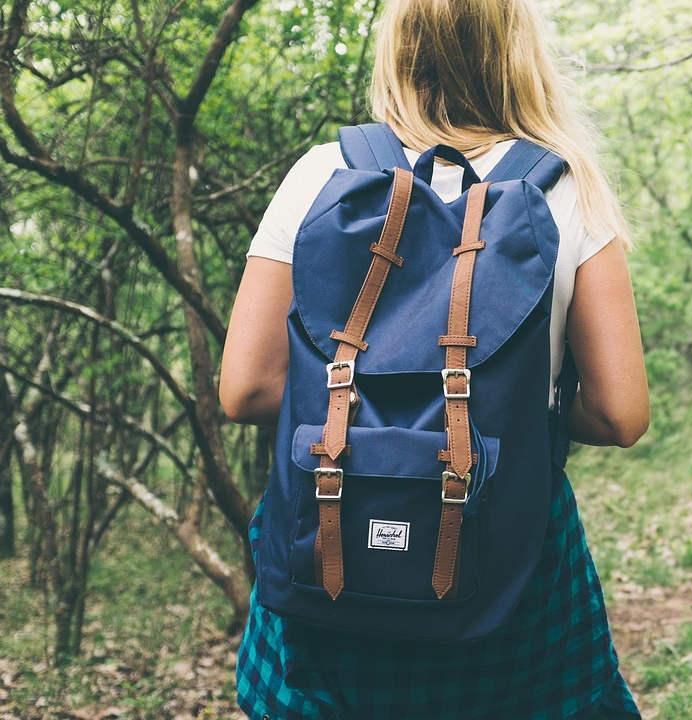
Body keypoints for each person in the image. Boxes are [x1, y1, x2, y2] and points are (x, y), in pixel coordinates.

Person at [217, 0, 649, 716]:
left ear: (399, 45)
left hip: (331, 550)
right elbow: (620, 412)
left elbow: (245, 390)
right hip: (501, 561)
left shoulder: (320, 176)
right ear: (516, 50)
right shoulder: (566, 190)